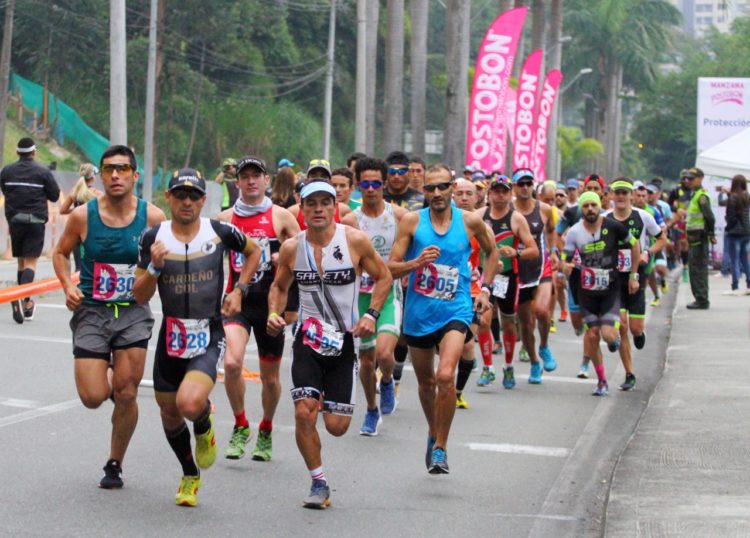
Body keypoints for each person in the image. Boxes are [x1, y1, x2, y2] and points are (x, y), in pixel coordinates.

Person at [133, 168, 261, 507]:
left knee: (188, 404)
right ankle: (190, 473)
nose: (187, 201)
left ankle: (203, 418)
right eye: (180, 195)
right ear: (169, 198)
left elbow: (255, 251)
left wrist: (239, 290)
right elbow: (140, 295)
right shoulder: (153, 238)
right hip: (171, 336)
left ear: (204, 200)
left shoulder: (218, 231)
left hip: (208, 332)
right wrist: (154, 268)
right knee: (169, 412)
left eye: (194, 196)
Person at [266, 181, 392, 509]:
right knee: (304, 412)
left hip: (343, 342)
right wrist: (273, 313)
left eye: (325, 202)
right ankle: (318, 481)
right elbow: (279, 286)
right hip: (307, 339)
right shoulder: (293, 248)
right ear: (302, 207)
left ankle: (325, 396)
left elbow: (384, 277)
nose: (318, 209)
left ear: (335, 205)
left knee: (336, 426)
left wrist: (373, 315)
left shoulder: (354, 241)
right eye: (311, 204)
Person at [52, 145, 166, 489]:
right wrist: (65, 285)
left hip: (133, 312)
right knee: (92, 396)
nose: (115, 175)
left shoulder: (154, 218)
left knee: (128, 392)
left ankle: (114, 463)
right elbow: (60, 253)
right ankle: (116, 384)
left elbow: (172, 262)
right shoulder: (83, 216)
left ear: (135, 175)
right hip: (92, 311)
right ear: (100, 176)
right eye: (108, 169)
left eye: (122, 169)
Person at [388, 164, 499, 474]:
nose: (436, 193)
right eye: (430, 188)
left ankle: (441, 448)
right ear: (423, 191)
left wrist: (486, 290)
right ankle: (433, 430)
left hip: (457, 308)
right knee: (425, 383)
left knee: (445, 376)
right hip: (419, 312)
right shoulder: (412, 222)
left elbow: (493, 254)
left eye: (442, 187)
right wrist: (416, 262)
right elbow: (390, 267)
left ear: (452, 188)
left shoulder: (470, 221)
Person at [217, 156, 300, 461]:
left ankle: (265, 427)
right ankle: (241, 425)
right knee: (232, 364)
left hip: (271, 306)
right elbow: (211, 260)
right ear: (237, 183)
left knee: (271, 378)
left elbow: (302, 259)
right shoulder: (225, 219)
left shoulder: (281, 217)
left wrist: (285, 266)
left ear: (267, 181)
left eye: (257, 176)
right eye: (245, 177)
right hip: (237, 302)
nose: (251, 181)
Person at [341, 157, 407, 434]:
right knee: (366, 362)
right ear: (358, 185)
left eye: (376, 183)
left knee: (384, 352)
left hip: (388, 292)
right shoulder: (350, 221)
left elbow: (400, 258)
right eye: (365, 184)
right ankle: (371, 409)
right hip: (361, 296)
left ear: (385, 183)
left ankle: (388, 379)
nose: (370, 189)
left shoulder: (399, 216)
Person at [561, 191, 640, 396]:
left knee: (607, 334)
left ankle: (614, 340)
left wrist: (633, 275)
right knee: (593, 335)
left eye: (593, 206)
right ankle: (602, 380)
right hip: (587, 293)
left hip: (610, 291)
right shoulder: (575, 232)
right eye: (585, 206)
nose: (590, 210)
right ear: (582, 209)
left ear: (599, 207)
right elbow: (565, 257)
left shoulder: (613, 226)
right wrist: (565, 266)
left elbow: (635, 244)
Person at [476, 175, 538, 390]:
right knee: (483, 320)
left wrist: (516, 253)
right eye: (496, 191)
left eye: (504, 191)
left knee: (508, 322)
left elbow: (533, 249)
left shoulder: (516, 219)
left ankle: (509, 365)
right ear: (489, 193)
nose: (500, 196)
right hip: (484, 277)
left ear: (510, 193)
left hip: (509, 278)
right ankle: (488, 367)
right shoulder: (478, 216)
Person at [605, 178, 664, 391]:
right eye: (617, 192)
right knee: (621, 325)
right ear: (611, 195)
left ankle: (640, 334)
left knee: (635, 328)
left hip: (636, 277)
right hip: (613, 279)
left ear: (631, 195)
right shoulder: (605, 219)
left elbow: (661, 238)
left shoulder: (643, 217)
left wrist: (648, 253)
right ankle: (629, 373)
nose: (621, 197)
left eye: (624, 193)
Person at [0, 137, 60, 323]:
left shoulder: (7, 171)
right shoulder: (43, 171)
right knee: (31, 263)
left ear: (18, 153)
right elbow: (55, 195)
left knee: (21, 262)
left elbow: (4, 190)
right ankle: (23, 299)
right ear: (34, 152)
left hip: (15, 220)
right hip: (35, 220)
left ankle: (24, 301)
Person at [511, 168, 558, 383]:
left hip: (541, 268)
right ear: (514, 186)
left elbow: (550, 231)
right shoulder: (508, 209)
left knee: (541, 310)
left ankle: (545, 345)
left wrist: (554, 252)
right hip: (517, 272)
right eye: (521, 184)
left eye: (529, 184)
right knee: (525, 324)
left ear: (533, 187)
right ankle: (534, 362)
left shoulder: (545, 209)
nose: (525, 188)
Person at [60, 163, 102, 271]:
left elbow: (62, 210)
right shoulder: (98, 194)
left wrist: (78, 210)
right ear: (93, 177)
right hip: (93, 233)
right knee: (93, 267)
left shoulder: (75, 193)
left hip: (76, 231)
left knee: (78, 268)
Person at [288, 159, 352, 229]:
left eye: (323, 176)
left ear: (331, 181)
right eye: (314, 176)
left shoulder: (343, 210)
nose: (318, 179)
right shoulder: (293, 212)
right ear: (306, 180)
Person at [719, 175, 750, 294]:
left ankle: (735, 286)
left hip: (734, 232)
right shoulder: (747, 195)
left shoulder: (733, 197)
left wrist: (728, 227)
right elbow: (740, 206)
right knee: (745, 259)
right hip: (747, 231)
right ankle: (749, 284)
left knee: (734, 259)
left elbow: (731, 215)